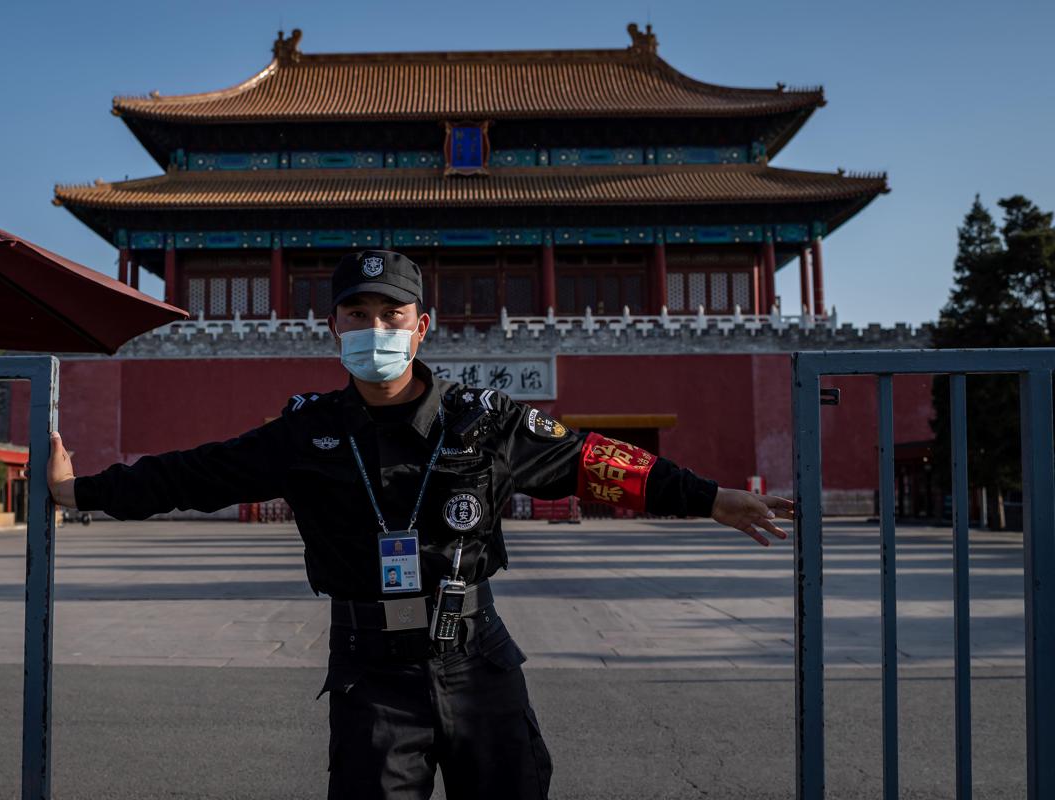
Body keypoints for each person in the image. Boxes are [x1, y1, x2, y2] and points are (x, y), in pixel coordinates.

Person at [41, 249, 793, 800]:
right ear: (333, 327)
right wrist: (81, 492)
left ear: (421, 325)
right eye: (357, 315)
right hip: (370, 671)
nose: (374, 329)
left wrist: (710, 498)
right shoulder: (305, 433)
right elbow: (194, 474)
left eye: (390, 314)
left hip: (477, 660)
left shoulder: (485, 422)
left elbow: (593, 460)